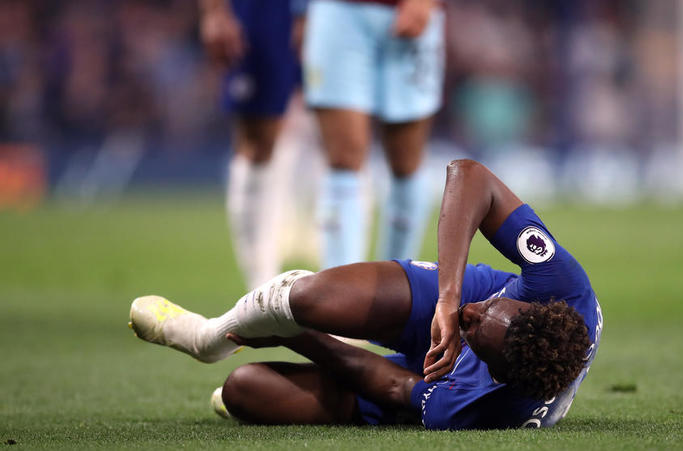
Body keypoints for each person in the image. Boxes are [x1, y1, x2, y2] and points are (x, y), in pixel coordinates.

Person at [129, 159, 603, 429]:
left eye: (477, 331)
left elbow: (391, 383)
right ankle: (208, 337)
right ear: (529, 302)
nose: (470, 317)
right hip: (464, 300)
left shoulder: (479, 406)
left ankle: (268, 319)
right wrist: (449, 297)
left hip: (432, 377)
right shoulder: (561, 285)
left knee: (243, 392)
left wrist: (291, 336)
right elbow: (470, 176)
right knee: (310, 300)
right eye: (491, 310)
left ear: (495, 374)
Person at [302, 0, 445, 267]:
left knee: (406, 160)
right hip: (340, 12)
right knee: (342, 157)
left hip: (410, 11)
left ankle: (397, 287)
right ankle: (340, 288)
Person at [199, 0, 306, 288]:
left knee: (337, 134)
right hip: (264, 10)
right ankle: (261, 284)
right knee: (259, 140)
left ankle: (346, 285)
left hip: (341, 11)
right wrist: (215, 11)